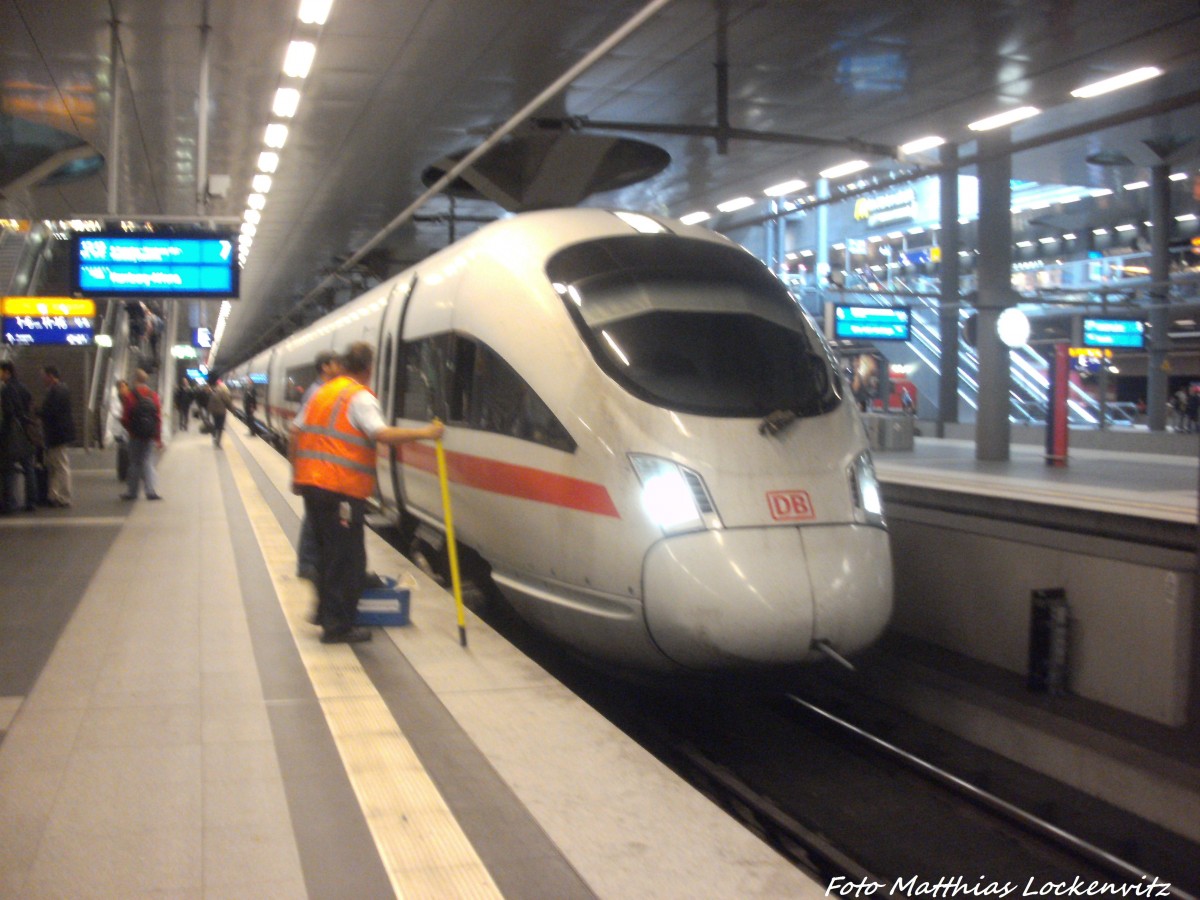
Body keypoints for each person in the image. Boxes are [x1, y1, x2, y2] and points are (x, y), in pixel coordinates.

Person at [291, 341, 442, 643]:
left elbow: (295, 432)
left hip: (314, 488)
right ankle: (338, 627)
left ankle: (324, 614)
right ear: (369, 369)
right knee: (345, 560)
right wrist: (425, 433)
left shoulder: (322, 392)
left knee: (325, 553)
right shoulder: (359, 397)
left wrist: (296, 475)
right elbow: (381, 434)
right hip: (341, 493)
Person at [293, 350, 342, 580]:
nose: (339, 368)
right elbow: (297, 430)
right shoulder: (317, 394)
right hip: (314, 469)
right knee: (313, 519)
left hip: (316, 467)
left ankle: (310, 563)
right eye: (335, 364)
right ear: (325, 367)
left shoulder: (319, 392)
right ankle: (307, 564)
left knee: (314, 518)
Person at [0, 361, 38, 514]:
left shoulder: (6, 389)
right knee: (29, 468)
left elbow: (9, 414)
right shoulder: (23, 387)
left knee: (8, 468)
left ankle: (9, 502)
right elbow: (29, 406)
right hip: (25, 432)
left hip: (11, 435)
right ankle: (31, 501)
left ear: (7, 372)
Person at [120, 369, 163, 500]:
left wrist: (130, 430)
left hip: (135, 436)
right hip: (149, 435)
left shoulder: (130, 396)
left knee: (134, 463)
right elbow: (158, 418)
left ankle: (132, 492)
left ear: (135, 380)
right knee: (147, 461)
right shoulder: (154, 395)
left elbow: (125, 417)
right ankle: (150, 491)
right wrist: (158, 438)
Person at [38, 365, 76, 508]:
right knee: (54, 466)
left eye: (45, 376)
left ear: (51, 376)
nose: (43, 379)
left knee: (61, 465)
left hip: (57, 434)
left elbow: (51, 411)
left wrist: (39, 412)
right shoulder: (60, 389)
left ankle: (64, 496)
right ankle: (53, 494)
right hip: (57, 433)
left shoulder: (57, 391)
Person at [207, 378, 234, 447]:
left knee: (215, 425)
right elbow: (228, 402)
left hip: (214, 413)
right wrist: (233, 411)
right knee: (220, 427)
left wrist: (209, 412)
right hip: (221, 412)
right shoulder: (223, 392)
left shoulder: (214, 392)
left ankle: (214, 438)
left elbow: (210, 403)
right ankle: (218, 441)